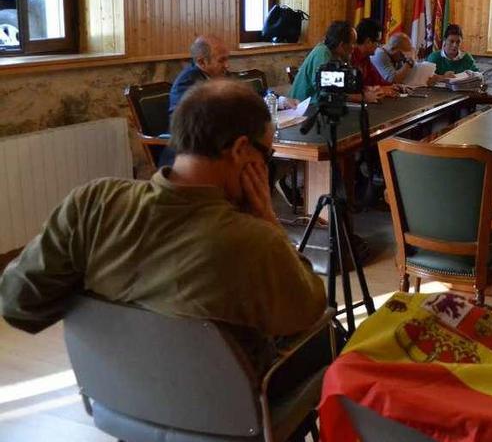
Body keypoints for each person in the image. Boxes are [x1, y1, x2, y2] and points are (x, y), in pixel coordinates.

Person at [0, 79, 328, 374]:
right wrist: (270, 223)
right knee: (330, 339)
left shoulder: (92, 203)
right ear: (241, 149)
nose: (265, 165)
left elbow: (18, 303)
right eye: (266, 154)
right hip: (227, 417)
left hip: (121, 402)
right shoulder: (255, 241)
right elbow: (308, 312)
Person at [289, 20, 382, 103]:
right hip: (302, 108)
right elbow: (326, 93)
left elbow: (340, 87)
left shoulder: (336, 56)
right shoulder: (322, 53)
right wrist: (362, 97)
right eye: (353, 43)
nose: (355, 47)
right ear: (342, 45)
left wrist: (367, 89)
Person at [169, 35, 231, 114]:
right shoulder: (186, 83)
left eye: (227, 59)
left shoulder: (224, 75)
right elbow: (190, 121)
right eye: (221, 60)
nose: (227, 65)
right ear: (202, 62)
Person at [351, 18, 399, 97]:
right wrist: (380, 89)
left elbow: (378, 81)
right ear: (368, 41)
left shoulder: (366, 59)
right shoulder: (350, 57)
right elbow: (354, 90)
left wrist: (394, 87)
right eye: (378, 42)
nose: (379, 46)